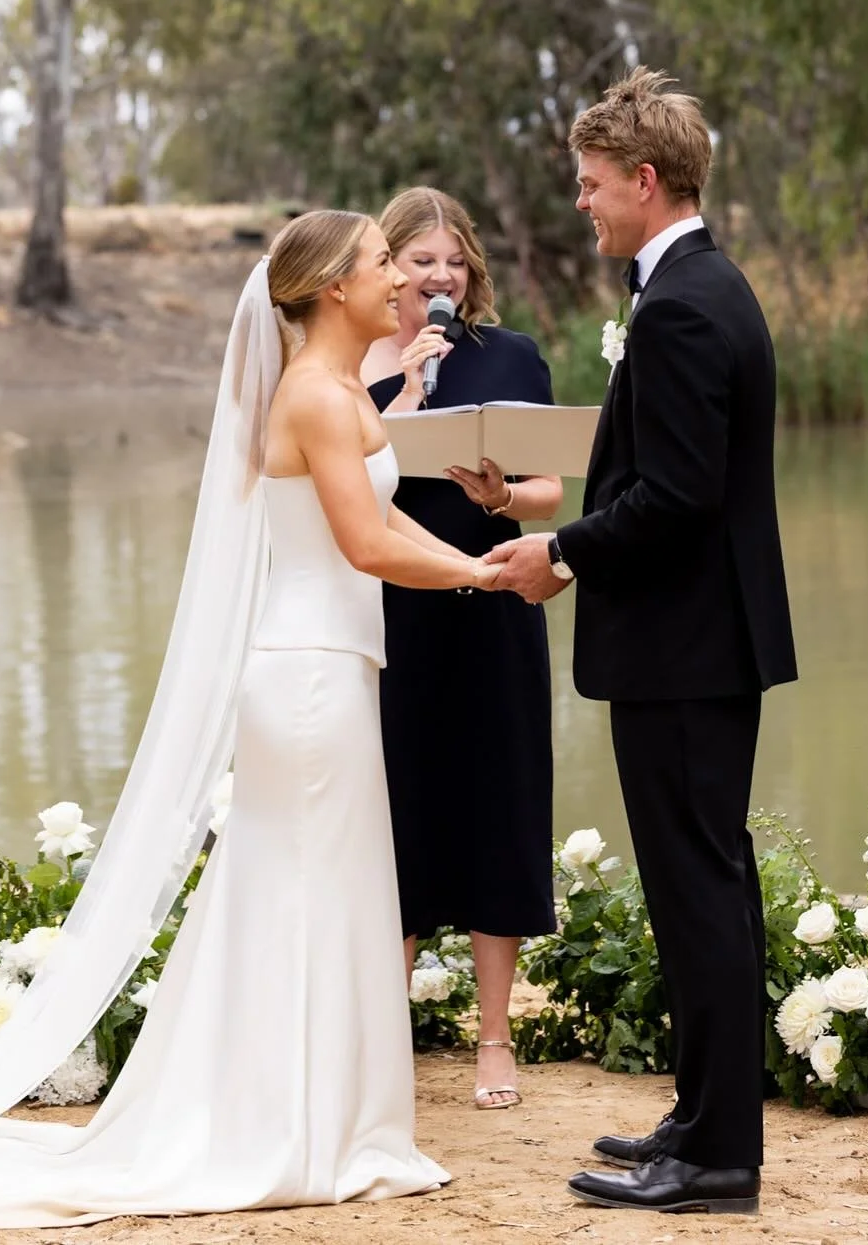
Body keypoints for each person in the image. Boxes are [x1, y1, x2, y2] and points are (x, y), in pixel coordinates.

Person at [0, 211, 504, 1226]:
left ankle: (331, 1115)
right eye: (377, 265)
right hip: (306, 677)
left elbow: (382, 512)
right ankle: (291, 1125)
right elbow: (363, 546)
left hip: (337, 668)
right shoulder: (315, 395)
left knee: (326, 889)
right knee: (300, 893)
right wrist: (484, 581)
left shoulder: (344, 389)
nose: (399, 279)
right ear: (330, 290)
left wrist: (476, 560)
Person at [486, 69, 796, 1218]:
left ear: (645, 181)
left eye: (592, 184)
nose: (583, 204)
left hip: (684, 649)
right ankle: (704, 1117)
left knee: (698, 889)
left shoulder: (677, 307)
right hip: (702, 643)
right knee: (702, 884)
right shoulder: (705, 289)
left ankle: (717, 1158)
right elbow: (666, 477)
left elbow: (672, 497)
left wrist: (558, 554)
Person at [361, 186, 562, 1111]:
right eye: (420, 261)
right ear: (385, 267)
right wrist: (403, 393)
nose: (439, 276)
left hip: (495, 603)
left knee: (500, 804)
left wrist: (500, 498)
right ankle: (382, 1031)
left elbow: (553, 490)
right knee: (395, 812)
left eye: (453, 260)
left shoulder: (512, 355)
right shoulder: (350, 372)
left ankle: (494, 1037)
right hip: (396, 612)